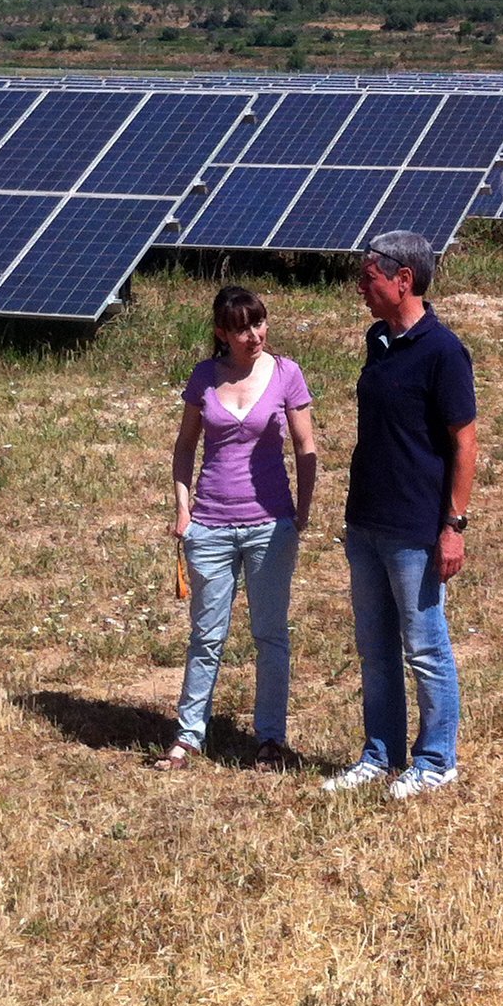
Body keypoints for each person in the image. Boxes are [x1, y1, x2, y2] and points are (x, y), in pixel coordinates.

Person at [324, 231, 476, 799]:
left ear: (402, 279)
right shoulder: (378, 341)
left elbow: (466, 443)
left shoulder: (444, 352)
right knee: (375, 647)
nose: (361, 288)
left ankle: (436, 759)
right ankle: (380, 752)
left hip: (416, 529)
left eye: (368, 277)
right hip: (366, 521)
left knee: (426, 647)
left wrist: (452, 526)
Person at [158, 286, 317, 770]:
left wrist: (302, 512)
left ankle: (270, 738)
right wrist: (184, 509)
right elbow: (185, 446)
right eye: (244, 328)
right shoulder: (204, 377)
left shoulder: (286, 373)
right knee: (207, 636)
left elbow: (306, 448)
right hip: (209, 525)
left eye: (260, 323)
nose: (255, 335)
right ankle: (189, 736)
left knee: (270, 635)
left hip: (270, 525)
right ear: (221, 333)